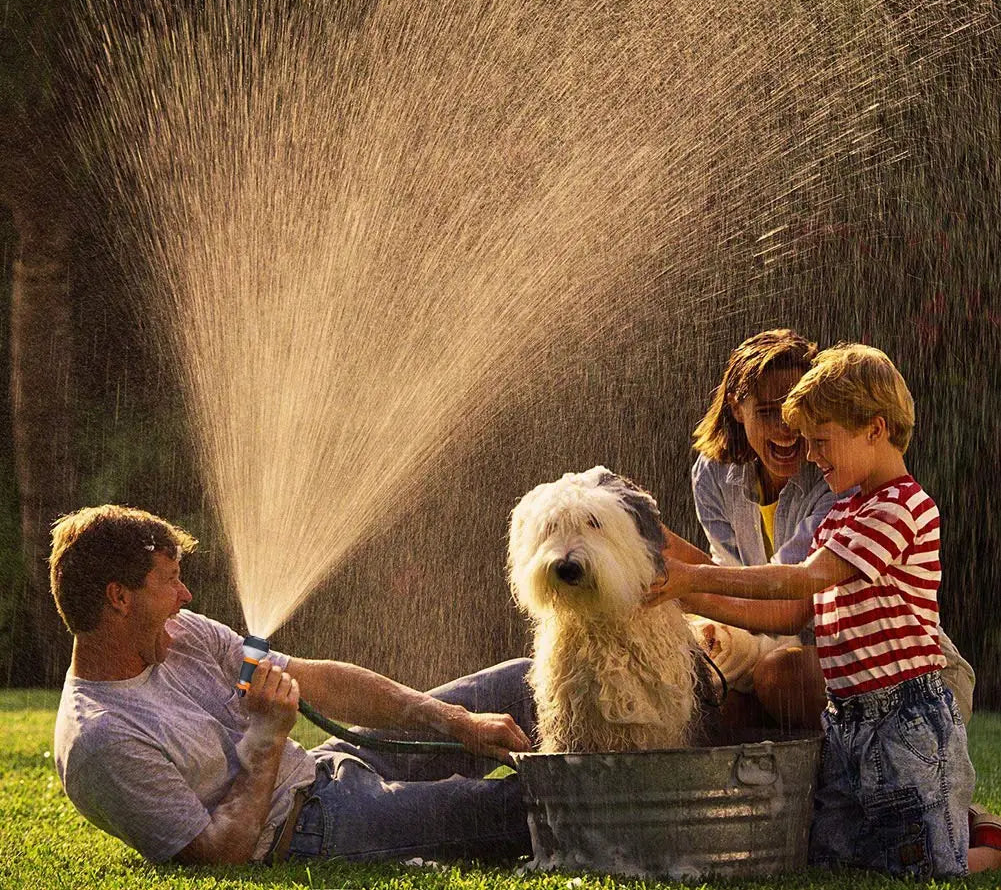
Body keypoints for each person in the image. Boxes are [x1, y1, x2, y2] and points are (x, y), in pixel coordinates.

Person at [651, 343, 1000, 877]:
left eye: (820, 442)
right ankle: (944, 829)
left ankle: (989, 844)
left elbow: (808, 579)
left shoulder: (901, 508)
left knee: (924, 863)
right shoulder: (846, 508)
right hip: (847, 712)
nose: (809, 455)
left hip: (904, 713)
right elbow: (790, 602)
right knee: (830, 853)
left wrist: (692, 581)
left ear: (875, 429)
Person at [51, 504, 534, 865]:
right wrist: (266, 738)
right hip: (308, 829)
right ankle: (603, 792)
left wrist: (455, 721)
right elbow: (218, 859)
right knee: (521, 808)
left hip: (323, 767)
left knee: (521, 680)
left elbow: (318, 681)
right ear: (119, 598)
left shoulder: (183, 633)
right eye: (171, 580)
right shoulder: (103, 739)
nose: (186, 595)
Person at [662, 328, 974, 730]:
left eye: (796, 415)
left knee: (779, 676)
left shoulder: (844, 484)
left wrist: (684, 588)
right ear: (738, 409)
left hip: (901, 687)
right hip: (836, 669)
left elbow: (793, 601)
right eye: (767, 411)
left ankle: (843, 778)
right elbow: (736, 580)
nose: (789, 433)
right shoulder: (715, 474)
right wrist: (656, 542)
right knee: (719, 701)